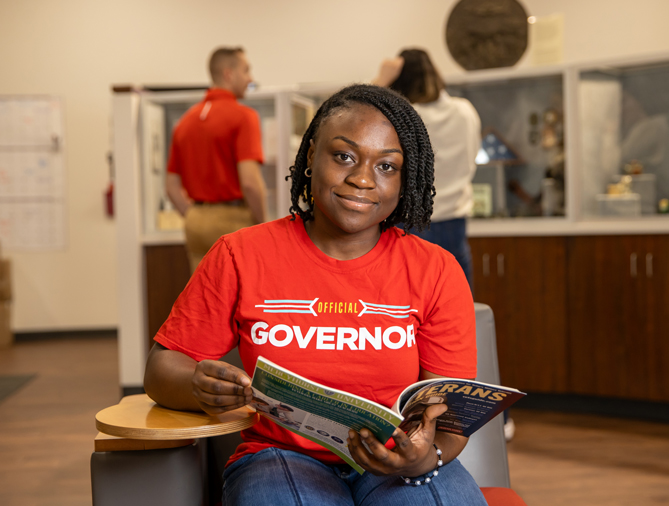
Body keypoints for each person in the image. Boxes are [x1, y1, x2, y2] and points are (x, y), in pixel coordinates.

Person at [145, 84, 488, 506]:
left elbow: (449, 418)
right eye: (343, 156)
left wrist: (423, 458)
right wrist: (196, 385)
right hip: (280, 457)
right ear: (310, 157)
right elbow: (162, 368)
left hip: (396, 462)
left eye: (386, 166)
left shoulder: (435, 269)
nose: (362, 178)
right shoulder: (241, 255)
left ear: (406, 177)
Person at [373, 49, 481, 289]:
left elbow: (356, 118)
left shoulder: (405, 116)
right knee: (456, 308)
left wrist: (380, 81)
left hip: (410, 223)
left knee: (407, 311)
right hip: (455, 223)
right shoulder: (465, 111)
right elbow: (473, 155)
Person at [165, 46, 268, 273]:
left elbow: (171, 186)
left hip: (196, 220)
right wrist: (262, 224)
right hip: (233, 221)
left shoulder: (185, 122)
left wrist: (193, 214)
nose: (250, 78)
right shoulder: (244, 117)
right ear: (228, 74)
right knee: (241, 297)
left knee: (204, 298)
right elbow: (250, 183)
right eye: (246, 70)